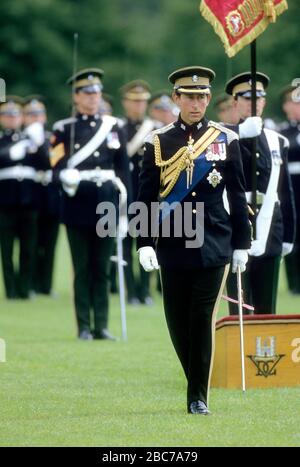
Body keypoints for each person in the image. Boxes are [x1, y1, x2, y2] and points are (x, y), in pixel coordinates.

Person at [136, 66, 251, 415]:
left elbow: (238, 194)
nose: (197, 103)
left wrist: (242, 243)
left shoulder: (225, 139)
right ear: (176, 98)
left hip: (215, 240)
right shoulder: (158, 141)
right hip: (172, 241)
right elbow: (145, 197)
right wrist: (144, 242)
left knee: (201, 316)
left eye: (202, 97)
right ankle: (195, 379)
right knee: (177, 321)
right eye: (189, 96)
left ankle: (197, 396)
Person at [50, 68, 131, 340]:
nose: (93, 96)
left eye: (96, 92)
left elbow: (123, 171)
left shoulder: (114, 126)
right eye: (87, 92)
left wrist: (127, 209)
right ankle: (84, 325)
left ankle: (102, 326)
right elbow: (55, 165)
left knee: (102, 267)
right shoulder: (63, 129)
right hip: (78, 205)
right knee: (82, 268)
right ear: (76, 97)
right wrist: (64, 175)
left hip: (107, 202)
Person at [225, 72, 296, 315]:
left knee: (267, 307)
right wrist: (240, 131)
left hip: (270, 226)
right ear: (235, 102)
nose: (253, 103)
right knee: (239, 306)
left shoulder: (278, 141)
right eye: (246, 98)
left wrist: (289, 233)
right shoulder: (225, 136)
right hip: (236, 222)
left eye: (259, 97)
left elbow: (284, 192)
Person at [0, 96, 49, 298]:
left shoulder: (31, 138)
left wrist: (39, 145)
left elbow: (46, 164)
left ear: (21, 117)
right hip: (5, 201)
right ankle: (11, 289)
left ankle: (25, 287)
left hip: (29, 201)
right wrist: (12, 151)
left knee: (28, 248)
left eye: (15, 114)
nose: (11, 118)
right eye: (6, 115)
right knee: (7, 249)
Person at [119, 80, 158, 305]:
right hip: (125, 194)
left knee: (147, 244)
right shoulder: (117, 128)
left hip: (147, 195)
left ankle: (145, 290)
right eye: (135, 102)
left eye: (143, 102)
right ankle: (131, 292)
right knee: (124, 247)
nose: (139, 106)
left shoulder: (154, 130)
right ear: (126, 103)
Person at [23, 95, 60, 296]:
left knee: (50, 242)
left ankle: (46, 284)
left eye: (39, 114)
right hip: (31, 195)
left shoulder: (51, 138)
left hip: (51, 194)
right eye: (31, 114)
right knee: (32, 242)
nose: (36, 118)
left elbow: (54, 162)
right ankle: (29, 283)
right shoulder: (21, 139)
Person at [278, 85, 300, 294]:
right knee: (294, 235)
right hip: (293, 188)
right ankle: (295, 284)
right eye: (295, 103)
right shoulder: (284, 131)